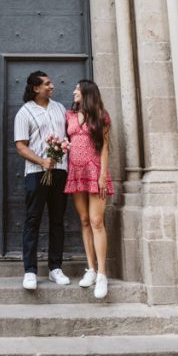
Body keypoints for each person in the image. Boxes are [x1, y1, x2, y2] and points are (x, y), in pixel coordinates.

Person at [14, 71, 70, 290]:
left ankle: (56, 268)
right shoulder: (24, 112)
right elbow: (20, 146)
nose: (52, 86)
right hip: (36, 173)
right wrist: (42, 161)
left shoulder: (59, 108)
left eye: (51, 82)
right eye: (47, 84)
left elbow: (68, 137)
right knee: (33, 220)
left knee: (57, 220)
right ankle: (30, 271)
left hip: (60, 171)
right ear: (36, 88)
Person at [64, 79, 114, 299]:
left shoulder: (101, 116)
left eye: (77, 88)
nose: (74, 91)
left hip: (95, 172)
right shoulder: (69, 116)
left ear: (87, 92)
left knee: (96, 221)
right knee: (84, 220)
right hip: (75, 172)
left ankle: (102, 274)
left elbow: (104, 147)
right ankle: (91, 269)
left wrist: (103, 174)